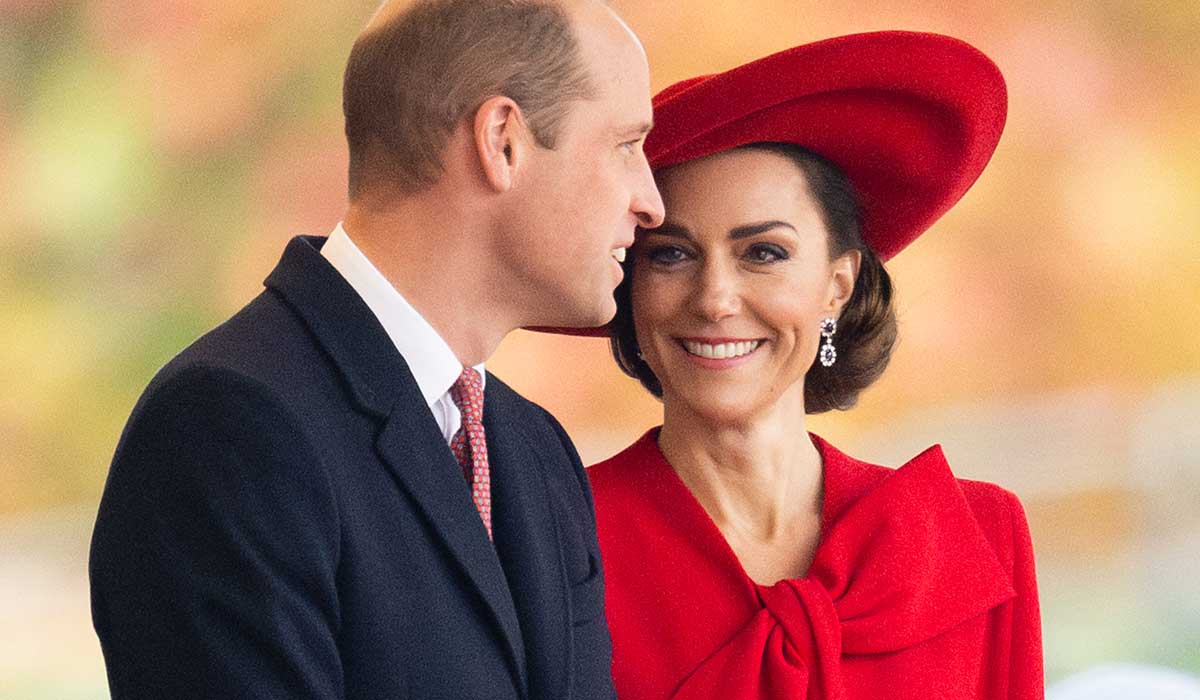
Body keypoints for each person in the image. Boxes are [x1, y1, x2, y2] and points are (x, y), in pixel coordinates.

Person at [88, 1, 663, 698]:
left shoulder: (537, 453)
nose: (651, 202)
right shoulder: (227, 429)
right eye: (627, 146)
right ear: (503, 140)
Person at [586, 32, 1044, 699]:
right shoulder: (554, 537)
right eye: (671, 255)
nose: (715, 299)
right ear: (631, 286)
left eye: (764, 253)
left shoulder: (975, 537)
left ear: (839, 283)